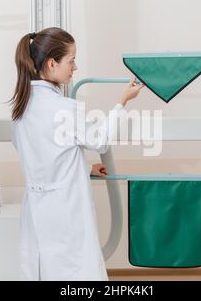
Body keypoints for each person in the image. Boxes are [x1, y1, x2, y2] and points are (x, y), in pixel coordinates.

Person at [10, 27, 143, 281]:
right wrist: (122, 102)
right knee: (75, 274)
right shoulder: (64, 108)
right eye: (71, 60)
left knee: (42, 270)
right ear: (52, 63)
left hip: (37, 210)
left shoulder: (20, 110)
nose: (75, 67)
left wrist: (84, 168)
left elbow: (44, 157)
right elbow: (101, 141)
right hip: (65, 211)